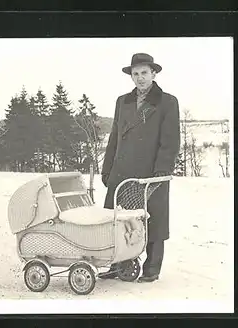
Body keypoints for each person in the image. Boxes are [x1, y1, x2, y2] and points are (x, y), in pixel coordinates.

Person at [99, 53, 181, 283]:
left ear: (154, 74)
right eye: (135, 74)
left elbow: (171, 140)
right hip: (122, 171)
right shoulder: (122, 101)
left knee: (153, 220)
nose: (140, 78)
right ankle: (118, 266)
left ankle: (151, 269)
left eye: (144, 73)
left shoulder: (167, 102)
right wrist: (107, 168)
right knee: (118, 219)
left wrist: (162, 172)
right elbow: (114, 138)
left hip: (151, 173)